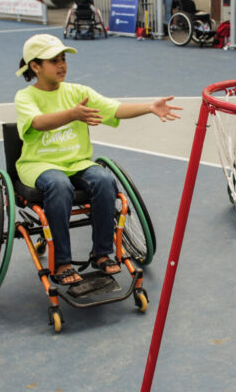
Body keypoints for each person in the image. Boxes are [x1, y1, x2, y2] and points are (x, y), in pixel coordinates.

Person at [14, 34, 182, 285]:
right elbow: (37, 123)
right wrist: (72, 114)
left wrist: (149, 107)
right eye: (53, 61)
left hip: (77, 163)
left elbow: (114, 109)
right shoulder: (26, 97)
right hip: (40, 165)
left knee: (104, 179)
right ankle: (62, 262)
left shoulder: (78, 91)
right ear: (35, 66)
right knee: (59, 185)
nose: (62, 65)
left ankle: (101, 253)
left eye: (63, 59)